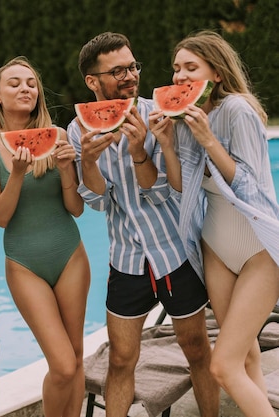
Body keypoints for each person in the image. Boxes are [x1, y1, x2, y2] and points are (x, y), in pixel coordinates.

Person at [67, 32, 219, 417]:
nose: (129, 75)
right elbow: (98, 201)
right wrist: (86, 161)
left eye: (132, 66)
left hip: (175, 253)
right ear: (92, 81)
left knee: (197, 350)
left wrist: (139, 152)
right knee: (120, 359)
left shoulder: (160, 115)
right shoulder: (77, 130)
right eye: (117, 70)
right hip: (127, 259)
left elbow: (162, 191)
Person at [149, 30, 279, 417]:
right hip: (215, 248)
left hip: (257, 248)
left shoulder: (238, 109)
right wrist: (169, 145)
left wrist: (208, 139)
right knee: (247, 357)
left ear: (216, 72)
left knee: (223, 365)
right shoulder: (188, 116)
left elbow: (250, 184)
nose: (179, 76)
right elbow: (181, 186)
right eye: (176, 69)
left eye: (191, 67)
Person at [0, 56, 90, 417]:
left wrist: (69, 168)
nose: (25, 88)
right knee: (63, 365)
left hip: (70, 255)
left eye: (30, 82)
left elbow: (76, 208)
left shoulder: (57, 136)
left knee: (77, 356)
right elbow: (0, 216)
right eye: (14, 83)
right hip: (25, 264)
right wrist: (19, 173)